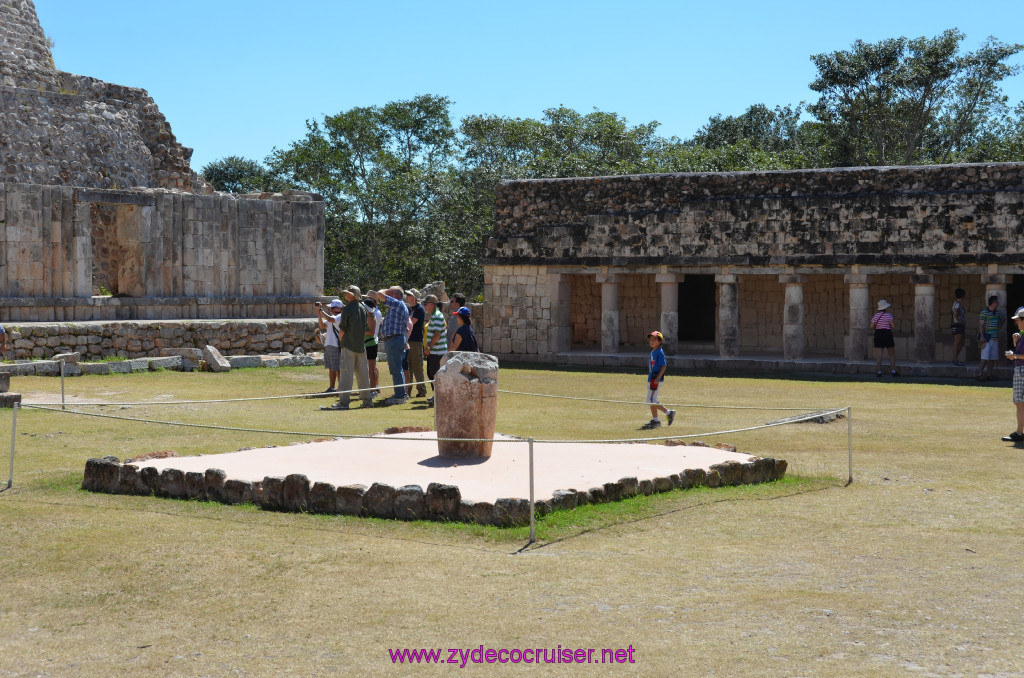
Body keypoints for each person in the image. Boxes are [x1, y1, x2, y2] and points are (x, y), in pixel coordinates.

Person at [325, 286, 373, 411]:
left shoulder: (347, 310)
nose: (345, 295)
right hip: (361, 346)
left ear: (352, 295)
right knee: (363, 375)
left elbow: (342, 330)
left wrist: (342, 341)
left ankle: (344, 402)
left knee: (346, 374)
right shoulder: (363, 308)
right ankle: (367, 400)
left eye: (348, 293)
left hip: (349, 345)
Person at [372, 286, 411, 404]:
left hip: (394, 339)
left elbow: (379, 293)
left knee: (396, 368)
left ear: (395, 294)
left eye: (390, 292)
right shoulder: (399, 305)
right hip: (395, 339)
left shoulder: (397, 303)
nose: (388, 293)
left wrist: (386, 291)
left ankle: (400, 396)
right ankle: (401, 393)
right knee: (396, 368)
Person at [643, 330, 676, 429]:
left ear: (659, 341)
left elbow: (664, 366)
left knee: (651, 400)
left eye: (654, 339)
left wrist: (658, 378)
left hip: (656, 379)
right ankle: (656, 420)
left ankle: (669, 412)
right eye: (650, 339)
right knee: (651, 400)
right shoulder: (653, 351)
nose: (651, 341)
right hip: (652, 378)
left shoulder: (659, 352)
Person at [1002, 307, 1024, 443]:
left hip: (1022, 370)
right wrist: (1016, 341)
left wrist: (1014, 355)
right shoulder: (1022, 334)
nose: (1017, 323)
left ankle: (1019, 433)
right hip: (1020, 369)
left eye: (1018, 320)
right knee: (1019, 403)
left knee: (1020, 402)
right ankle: (1019, 432)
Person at [422, 294, 447, 406]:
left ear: (432, 305)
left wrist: (428, 347)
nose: (424, 306)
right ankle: (437, 396)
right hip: (435, 352)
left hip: (437, 352)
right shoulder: (435, 315)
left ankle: (439, 397)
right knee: (432, 374)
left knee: (435, 375)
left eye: (425, 304)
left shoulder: (436, 316)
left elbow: (437, 335)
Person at [316, 299, 344, 392]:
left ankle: (341, 387)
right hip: (329, 344)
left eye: (332, 308)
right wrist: (319, 314)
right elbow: (322, 326)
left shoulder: (340, 317)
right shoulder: (333, 317)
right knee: (331, 367)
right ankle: (332, 387)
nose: (330, 309)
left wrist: (321, 310)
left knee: (338, 368)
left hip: (335, 345)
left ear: (337, 308)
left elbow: (329, 319)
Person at [405, 289, 427, 398]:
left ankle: (421, 391)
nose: (407, 296)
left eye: (409, 295)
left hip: (416, 341)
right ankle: (407, 390)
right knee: (408, 367)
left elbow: (411, 323)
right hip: (408, 340)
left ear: (414, 297)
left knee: (417, 366)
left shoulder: (419, 309)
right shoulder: (408, 308)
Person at [978, 295, 1003, 381]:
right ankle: (980, 374)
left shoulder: (997, 313)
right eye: (997, 302)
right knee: (984, 357)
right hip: (986, 339)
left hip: (994, 338)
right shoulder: (984, 312)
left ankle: (989, 375)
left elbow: (1002, 318)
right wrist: (982, 337)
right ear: (993, 303)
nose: (998, 303)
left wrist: (998, 326)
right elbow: (980, 325)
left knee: (992, 358)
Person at [870, 300, 897, 377]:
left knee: (879, 354)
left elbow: (871, 326)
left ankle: (879, 372)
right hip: (887, 333)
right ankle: (893, 371)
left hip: (878, 333)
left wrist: (877, 328)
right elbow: (893, 326)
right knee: (891, 354)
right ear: (885, 307)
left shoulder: (876, 316)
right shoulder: (889, 315)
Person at [363, 296, 383, 398]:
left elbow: (371, 332)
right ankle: (373, 389)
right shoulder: (370, 315)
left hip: (370, 343)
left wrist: (360, 331)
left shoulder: (371, 317)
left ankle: (372, 390)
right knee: (372, 367)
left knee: (372, 368)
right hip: (370, 343)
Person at [951, 288, 967, 366]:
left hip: (960, 325)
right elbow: (955, 313)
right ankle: (955, 360)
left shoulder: (958, 304)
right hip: (958, 325)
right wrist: (959, 320)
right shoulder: (957, 304)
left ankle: (955, 358)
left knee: (962, 343)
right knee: (957, 343)